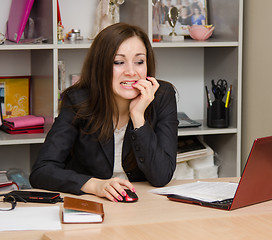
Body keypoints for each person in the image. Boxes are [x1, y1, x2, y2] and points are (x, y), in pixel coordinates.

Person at [29, 23, 179, 202]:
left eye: (139, 61)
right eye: (118, 62)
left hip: (144, 205)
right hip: (91, 203)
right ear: (101, 66)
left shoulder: (162, 96)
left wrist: (138, 117)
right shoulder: (78, 100)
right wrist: (94, 185)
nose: (131, 72)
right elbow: (42, 171)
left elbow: (161, 176)